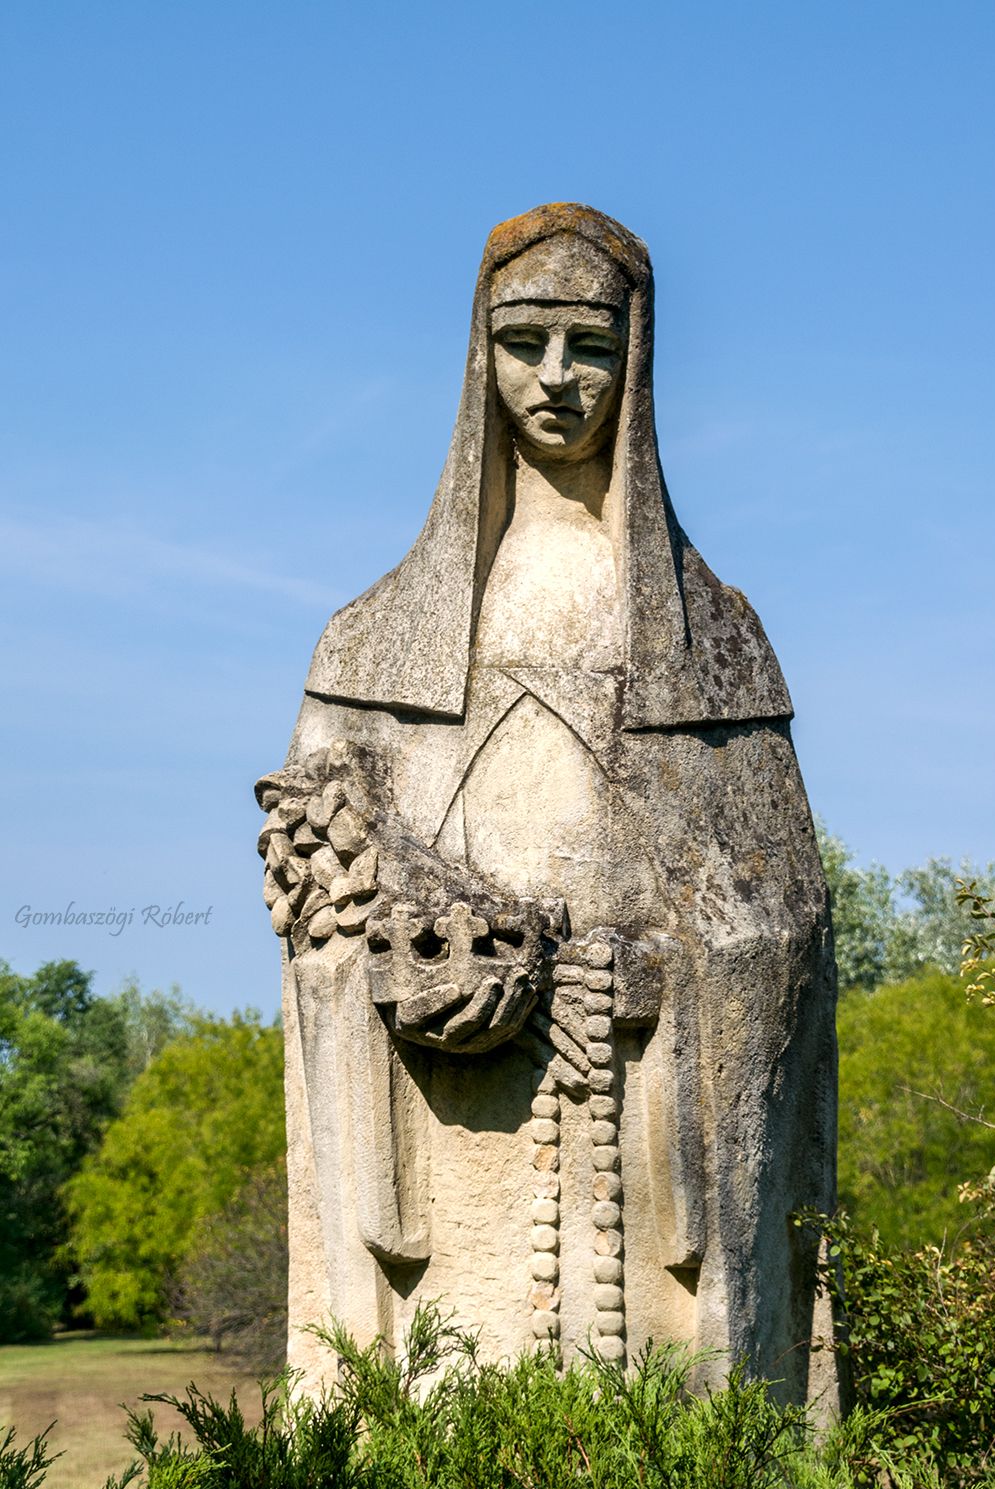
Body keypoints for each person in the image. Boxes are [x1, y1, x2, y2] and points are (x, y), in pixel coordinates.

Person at [258, 203, 839, 1408]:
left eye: (591, 344)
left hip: (644, 1151)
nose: (560, 379)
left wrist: (666, 983)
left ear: (638, 359)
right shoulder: (367, 649)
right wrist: (415, 970)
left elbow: (786, 926)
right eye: (526, 342)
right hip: (457, 1173)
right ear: (481, 356)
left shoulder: (716, 642)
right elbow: (312, 912)